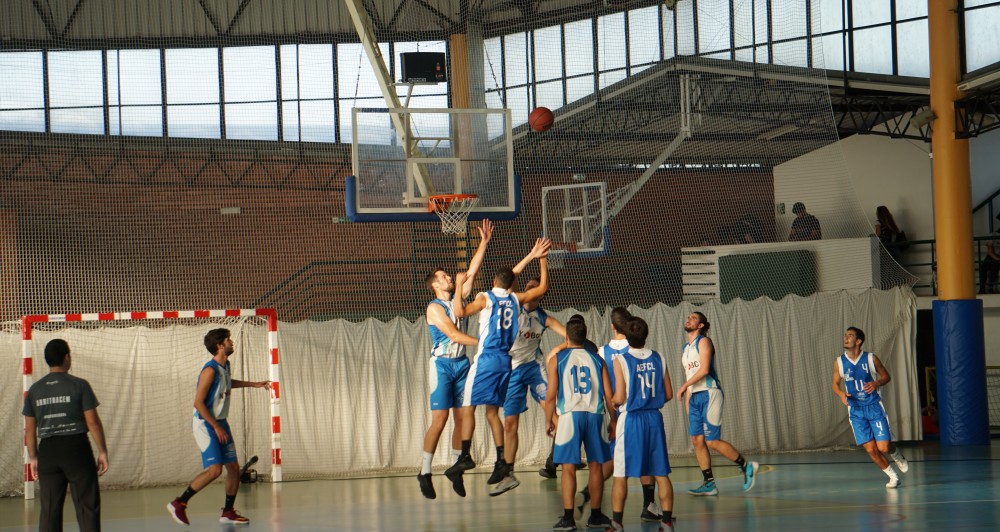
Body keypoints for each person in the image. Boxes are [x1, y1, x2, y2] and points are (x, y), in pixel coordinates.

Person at [444, 238, 551, 496]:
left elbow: (459, 312)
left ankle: (465, 455)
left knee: (467, 406)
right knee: (492, 413)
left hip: (487, 358)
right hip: (506, 362)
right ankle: (503, 461)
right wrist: (541, 259)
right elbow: (543, 287)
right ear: (511, 285)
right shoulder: (516, 300)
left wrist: (458, 285)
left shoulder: (485, 297)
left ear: (494, 283)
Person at [417, 220, 494, 499]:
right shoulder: (434, 308)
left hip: (462, 365)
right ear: (435, 285)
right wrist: (485, 343)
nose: (450, 277)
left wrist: (483, 242)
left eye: (449, 275)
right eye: (445, 276)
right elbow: (454, 335)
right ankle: (424, 472)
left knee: (464, 417)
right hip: (442, 366)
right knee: (440, 420)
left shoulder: (457, 298)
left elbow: (472, 271)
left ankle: (456, 466)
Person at [167, 328, 272, 526]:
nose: (231, 342)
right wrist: (216, 426)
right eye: (228, 340)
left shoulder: (225, 366)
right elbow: (198, 403)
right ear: (220, 345)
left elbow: (226, 383)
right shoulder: (209, 370)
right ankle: (179, 503)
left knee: (233, 467)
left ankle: (228, 512)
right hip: (206, 423)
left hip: (219, 422)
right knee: (215, 470)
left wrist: (253, 384)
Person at [573, 307, 660, 523]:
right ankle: (647, 505)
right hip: (636, 411)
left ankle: (588, 494)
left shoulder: (602, 352)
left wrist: (610, 416)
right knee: (646, 457)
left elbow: (601, 388)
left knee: (614, 459)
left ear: (612, 326)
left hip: (613, 412)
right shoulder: (639, 349)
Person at [23, 339, 109, 532]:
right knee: (87, 505)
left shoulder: (35, 390)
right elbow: (92, 422)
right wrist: (102, 451)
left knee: (50, 508)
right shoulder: (79, 385)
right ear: (67, 357)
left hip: (48, 451)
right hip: (76, 448)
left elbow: (29, 429)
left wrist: (34, 457)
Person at [675, 312, 759, 496]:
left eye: (694, 318)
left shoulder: (704, 342)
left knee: (711, 441)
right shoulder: (685, 349)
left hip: (710, 393)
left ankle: (747, 467)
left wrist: (683, 387)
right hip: (695, 396)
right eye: (688, 317)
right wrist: (688, 401)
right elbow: (690, 376)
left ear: (701, 326)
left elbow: (704, 370)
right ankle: (709, 483)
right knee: (696, 440)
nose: (689, 319)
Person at [544, 319, 615, 531]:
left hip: (569, 417)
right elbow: (609, 396)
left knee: (568, 468)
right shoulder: (598, 360)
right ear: (585, 337)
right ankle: (595, 515)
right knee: (596, 466)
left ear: (566, 337)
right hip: (595, 415)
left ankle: (568, 518)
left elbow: (550, 396)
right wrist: (614, 419)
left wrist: (549, 419)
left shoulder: (557, 359)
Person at [608, 316, 675, 531]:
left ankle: (617, 523)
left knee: (621, 473)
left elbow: (619, 397)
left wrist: (612, 402)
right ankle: (666, 522)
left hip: (632, 419)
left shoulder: (621, 360)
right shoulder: (659, 357)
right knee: (661, 473)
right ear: (646, 335)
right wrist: (651, 402)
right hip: (654, 418)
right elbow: (669, 393)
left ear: (626, 336)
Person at [500, 276, 566, 486]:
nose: (527, 288)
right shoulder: (513, 307)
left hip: (534, 367)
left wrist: (557, 349)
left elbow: (570, 337)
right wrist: (534, 258)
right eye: (526, 286)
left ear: (540, 293)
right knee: (510, 423)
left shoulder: (543, 318)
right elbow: (510, 278)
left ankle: (568, 454)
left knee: (553, 412)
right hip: (512, 369)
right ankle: (508, 471)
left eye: (532, 287)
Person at [831, 327, 909, 488]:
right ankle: (893, 477)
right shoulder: (839, 362)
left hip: (873, 407)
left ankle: (896, 453)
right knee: (871, 449)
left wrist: (876, 383)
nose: (846, 338)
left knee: (883, 447)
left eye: (850, 336)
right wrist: (841, 394)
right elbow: (835, 384)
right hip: (856, 411)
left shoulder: (871, 359)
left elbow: (886, 376)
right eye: (845, 335)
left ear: (858, 341)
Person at [979, 228, 1000, 294]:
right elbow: (990, 251)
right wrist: (997, 259)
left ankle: (991, 288)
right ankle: (982, 288)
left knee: (994, 266)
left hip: (997, 256)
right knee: (983, 267)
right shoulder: (994, 234)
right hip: (993, 255)